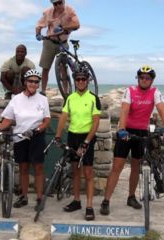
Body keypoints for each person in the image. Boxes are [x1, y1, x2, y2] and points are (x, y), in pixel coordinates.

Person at [100, 65, 164, 216]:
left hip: (142, 132)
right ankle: (106, 201)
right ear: (138, 78)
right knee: (117, 167)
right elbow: (125, 111)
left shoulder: (155, 92)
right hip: (126, 132)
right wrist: (121, 129)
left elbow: (161, 109)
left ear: (152, 80)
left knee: (135, 167)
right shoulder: (130, 91)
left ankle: (131, 197)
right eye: (141, 77)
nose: (144, 80)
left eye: (147, 78)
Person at [0, 69, 50, 209]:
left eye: (36, 82)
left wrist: (38, 129)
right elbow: (7, 120)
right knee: (23, 168)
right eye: (30, 81)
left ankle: (40, 198)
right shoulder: (16, 99)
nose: (33, 84)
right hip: (20, 137)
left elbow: (47, 120)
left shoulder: (43, 99)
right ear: (25, 82)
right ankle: (24, 197)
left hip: (36, 135)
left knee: (38, 167)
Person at [55, 67, 101, 221]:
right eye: (78, 79)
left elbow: (95, 123)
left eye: (83, 79)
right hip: (73, 136)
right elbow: (63, 117)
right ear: (75, 81)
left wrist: (87, 142)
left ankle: (89, 206)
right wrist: (58, 135)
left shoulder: (93, 98)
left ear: (87, 81)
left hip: (87, 137)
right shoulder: (70, 98)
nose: (80, 82)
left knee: (88, 173)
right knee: (75, 171)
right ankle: (76, 201)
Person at [35, 0, 80, 95]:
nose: (58, 5)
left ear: (64, 1)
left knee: (63, 69)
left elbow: (77, 24)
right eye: (55, 4)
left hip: (63, 42)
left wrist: (64, 27)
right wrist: (38, 34)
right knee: (45, 68)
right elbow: (38, 25)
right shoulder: (48, 12)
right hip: (49, 41)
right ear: (52, 4)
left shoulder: (70, 10)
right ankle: (43, 91)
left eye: (60, 2)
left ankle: (66, 92)